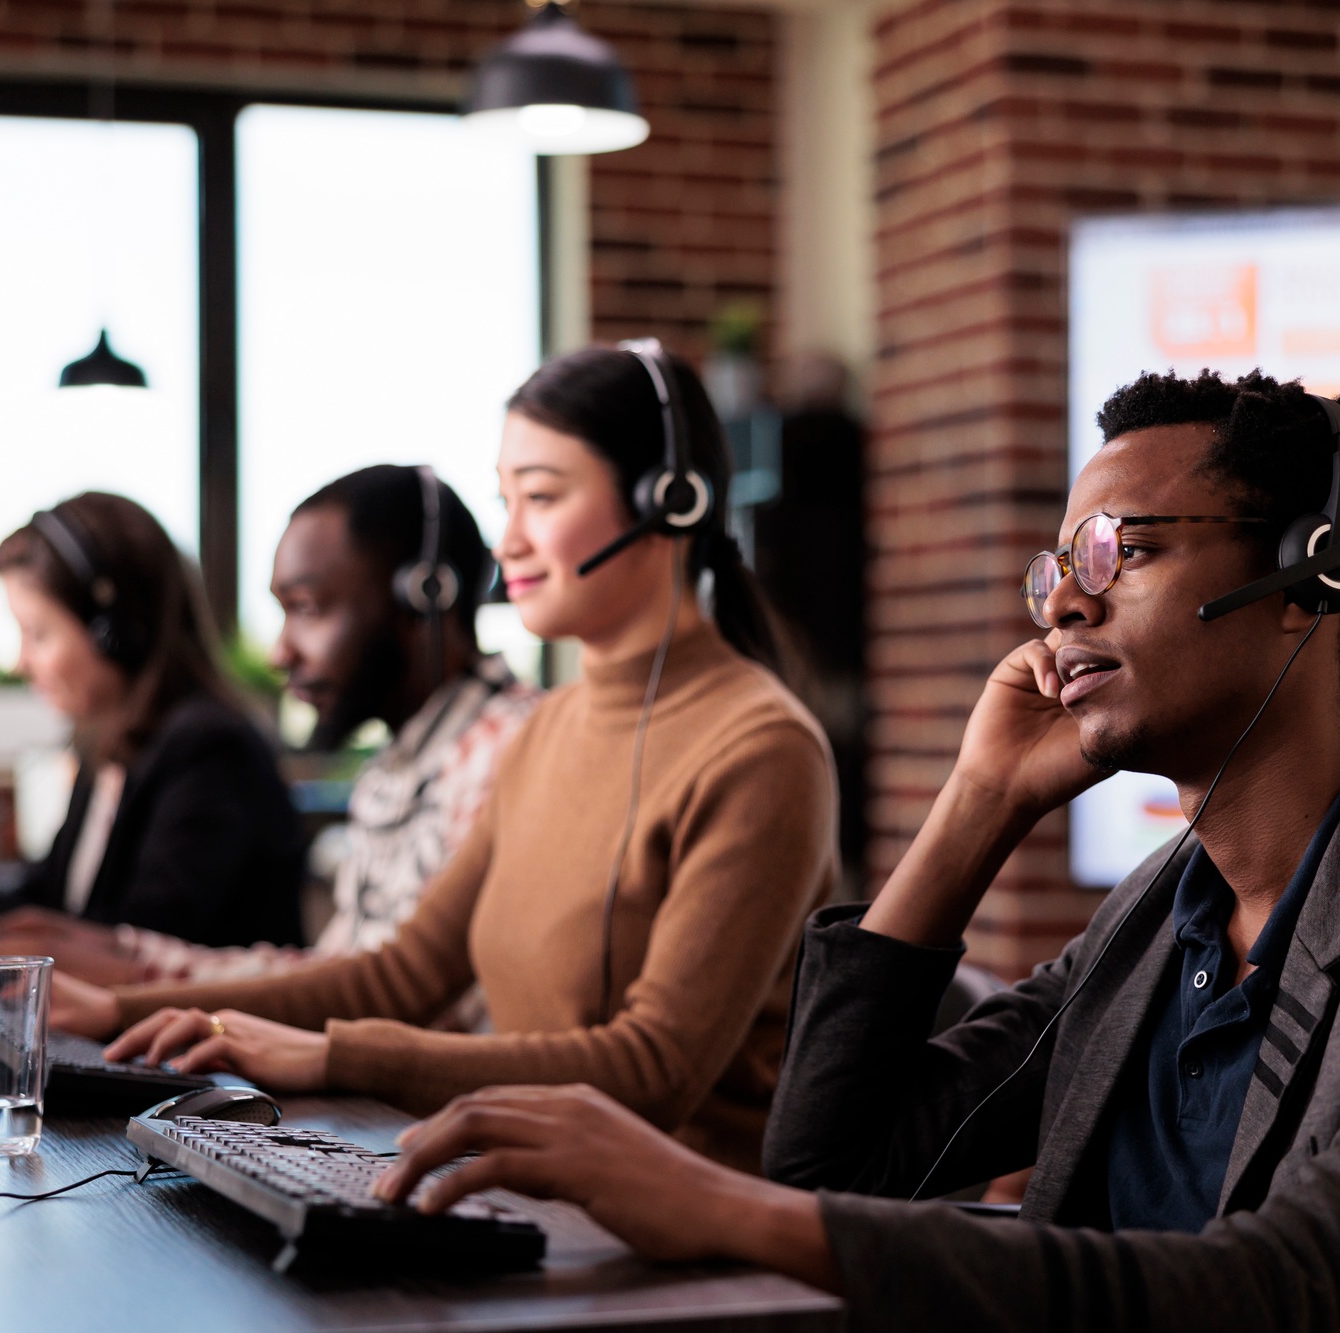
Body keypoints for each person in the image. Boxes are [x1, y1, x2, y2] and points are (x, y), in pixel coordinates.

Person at [368, 369, 1340, 1331]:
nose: (1064, 604)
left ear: (1312, 576)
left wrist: (723, 1205)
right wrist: (976, 801)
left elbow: (1300, 1289)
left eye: (1123, 553)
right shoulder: (1159, 918)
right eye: (1057, 570)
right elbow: (838, 1164)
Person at [53, 343, 840, 1172]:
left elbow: (654, 1070)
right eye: (507, 501)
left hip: (680, 1235)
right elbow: (402, 974)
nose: (509, 543)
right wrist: (118, 1007)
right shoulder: (548, 730)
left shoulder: (761, 748)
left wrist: (333, 1057)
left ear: (668, 500)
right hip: (525, 1183)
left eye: (541, 497)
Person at [0, 466, 541, 992]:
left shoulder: (510, 753)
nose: (280, 653)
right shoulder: (397, 768)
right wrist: (126, 966)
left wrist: (136, 976)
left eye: (307, 608)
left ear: (426, 595)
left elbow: (383, 996)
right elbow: (341, 976)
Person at [0, 492, 306, 957]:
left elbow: (138, 941)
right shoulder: (110, 747)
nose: (20, 661)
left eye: (38, 634)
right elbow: (52, 900)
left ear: (114, 631)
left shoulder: (211, 751)